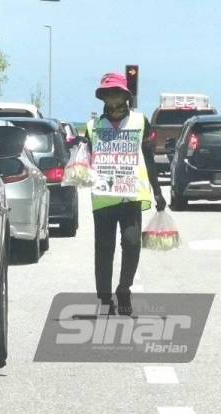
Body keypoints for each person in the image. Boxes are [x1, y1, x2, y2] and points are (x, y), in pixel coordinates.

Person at [85, 73, 166, 316]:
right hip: (103, 197)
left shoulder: (140, 122)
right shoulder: (93, 127)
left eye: (117, 92)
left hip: (130, 195)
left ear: (126, 96)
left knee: (131, 244)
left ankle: (124, 288)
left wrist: (158, 191)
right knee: (104, 247)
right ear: (103, 98)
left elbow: (149, 159)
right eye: (108, 93)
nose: (113, 98)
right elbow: (86, 161)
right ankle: (104, 296)